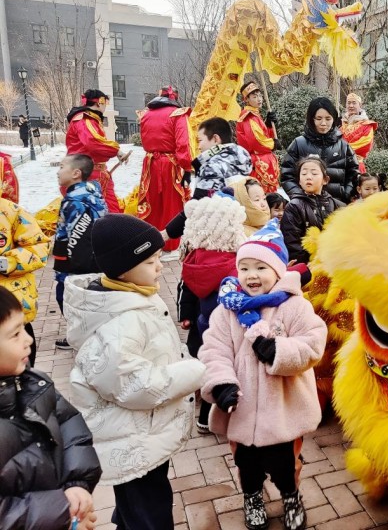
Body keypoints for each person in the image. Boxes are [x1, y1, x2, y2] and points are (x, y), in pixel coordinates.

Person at [64, 214, 206, 529]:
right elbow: (135, 385)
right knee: (151, 514)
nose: (160, 266)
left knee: (138, 503)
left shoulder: (132, 298)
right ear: (124, 269)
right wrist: (195, 371)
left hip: (138, 436)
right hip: (131, 442)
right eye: (151, 261)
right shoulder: (120, 323)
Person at [199, 220, 327, 530]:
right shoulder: (226, 311)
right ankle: (252, 496)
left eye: (260, 267)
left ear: (279, 271)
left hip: (283, 408)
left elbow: (313, 342)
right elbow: (214, 351)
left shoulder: (294, 307)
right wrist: (221, 383)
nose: (251, 275)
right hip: (242, 410)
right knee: (247, 464)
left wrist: (280, 352)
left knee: (284, 463)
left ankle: (290, 495)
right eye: (244, 268)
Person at [0, 286, 102, 530]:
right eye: (15, 335)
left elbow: (69, 427)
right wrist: (60, 512)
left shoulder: (34, 383)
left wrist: (76, 484)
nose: (29, 340)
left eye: (24, 328)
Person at [180, 195, 247, 433]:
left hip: (204, 322)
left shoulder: (194, 259)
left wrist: (185, 314)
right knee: (227, 370)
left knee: (212, 367)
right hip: (227, 325)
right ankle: (225, 415)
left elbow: (185, 289)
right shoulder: (232, 263)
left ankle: (203, 419)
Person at [163, 116, 253, 241]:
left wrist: (166, 233)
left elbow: (198, 207)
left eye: (200, 140)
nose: (198, 146)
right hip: (244, 227)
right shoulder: (241, 158)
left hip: (218, 233)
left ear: (216, 139)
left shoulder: (213, 166)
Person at [52, 154, 108, 350]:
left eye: (61, 167)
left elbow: (76, 237)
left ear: (76, 173)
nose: (58, 171)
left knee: (66, 295)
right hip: (94, 256)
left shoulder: (75, 201)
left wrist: (70, 266)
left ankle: (80, 336)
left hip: (74, 260)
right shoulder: (93, 193)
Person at [136, 86, 193, 252]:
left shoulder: (145, 114)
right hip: (170, 163)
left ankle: (149, 240)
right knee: (172, 202)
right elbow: (183, 144)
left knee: (151, 202)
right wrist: (187, 168)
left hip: (149, 162)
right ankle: (170, 243)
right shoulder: (177, 114)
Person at [281, 97, 359, 203]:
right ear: (311, 119)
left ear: (334, 119)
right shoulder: (299, 144)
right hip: (307, 207)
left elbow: (353, 173)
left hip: (337, 206)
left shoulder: (343, 146)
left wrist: (346, 194)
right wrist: (299, 197)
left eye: (328, 119)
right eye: (318, 118)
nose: (323, 123)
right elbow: (286, 175)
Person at [0, 199, 49, 368]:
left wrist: (8, 262)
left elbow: (39, 248)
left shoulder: (10, 211)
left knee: (23, 370)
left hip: (11, 303)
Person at [66, 89, 130, 214]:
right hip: (88, 174)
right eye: (105, 103)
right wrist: (116, 150)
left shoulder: (89, 119)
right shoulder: (85, 119)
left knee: (108, 210)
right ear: (99, 102)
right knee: (97, 213)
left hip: (94, 172)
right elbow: (93, 142)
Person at [281, 156, 344, 264]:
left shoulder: (338, 206)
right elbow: (292, 243)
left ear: (325, 180)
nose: (308, 177)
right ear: (299, 181)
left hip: (335, 263)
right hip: (308, 266)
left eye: (314, 174)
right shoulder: (294, 207)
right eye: (304, 174)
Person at [236, 82, 280, 193]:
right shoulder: (248, 116)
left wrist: (268, 125)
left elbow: (263, 135)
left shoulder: (255, 114)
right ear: (246, 99)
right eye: (254, 97)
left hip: (263, 161)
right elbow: (256, 142)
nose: (259, 99)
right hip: (258, 162)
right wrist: (273, 144)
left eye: (260, 96)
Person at [340, 92, 378, 173]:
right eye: (348, 103)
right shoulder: (340, 123)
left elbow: (365, 145)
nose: (351, 106)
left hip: (356, 164)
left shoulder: (367, 125)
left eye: (354, 103)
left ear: (360, 105)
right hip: (339, 165)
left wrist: (338, 149)